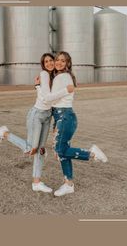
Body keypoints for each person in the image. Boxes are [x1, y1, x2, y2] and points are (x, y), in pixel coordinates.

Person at [0, 53, 74, 193]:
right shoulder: (45, 74)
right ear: (43, 64)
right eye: (46, 62)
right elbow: (46, 99)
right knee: (31, 148)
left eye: (51, 60)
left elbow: (47, 97)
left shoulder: (54, 77)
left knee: (40, 150)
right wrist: (65, 91)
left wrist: (37, 87)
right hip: (37, 115)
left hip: (47, 116)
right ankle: (4, 133)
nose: (49, 63)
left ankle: (36, 182)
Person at [36, 51, 108, 197]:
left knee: (60, 151)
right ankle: (68, 184)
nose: (59, 63)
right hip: (62, 117)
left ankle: (92, 154)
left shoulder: (62, 77)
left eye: (63, 61)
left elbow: (48, 99)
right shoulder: (61, 77)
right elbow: (54, 99)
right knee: (62, 152)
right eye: (58, 60)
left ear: (68, 63)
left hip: (65, 116)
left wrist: (38, 86)